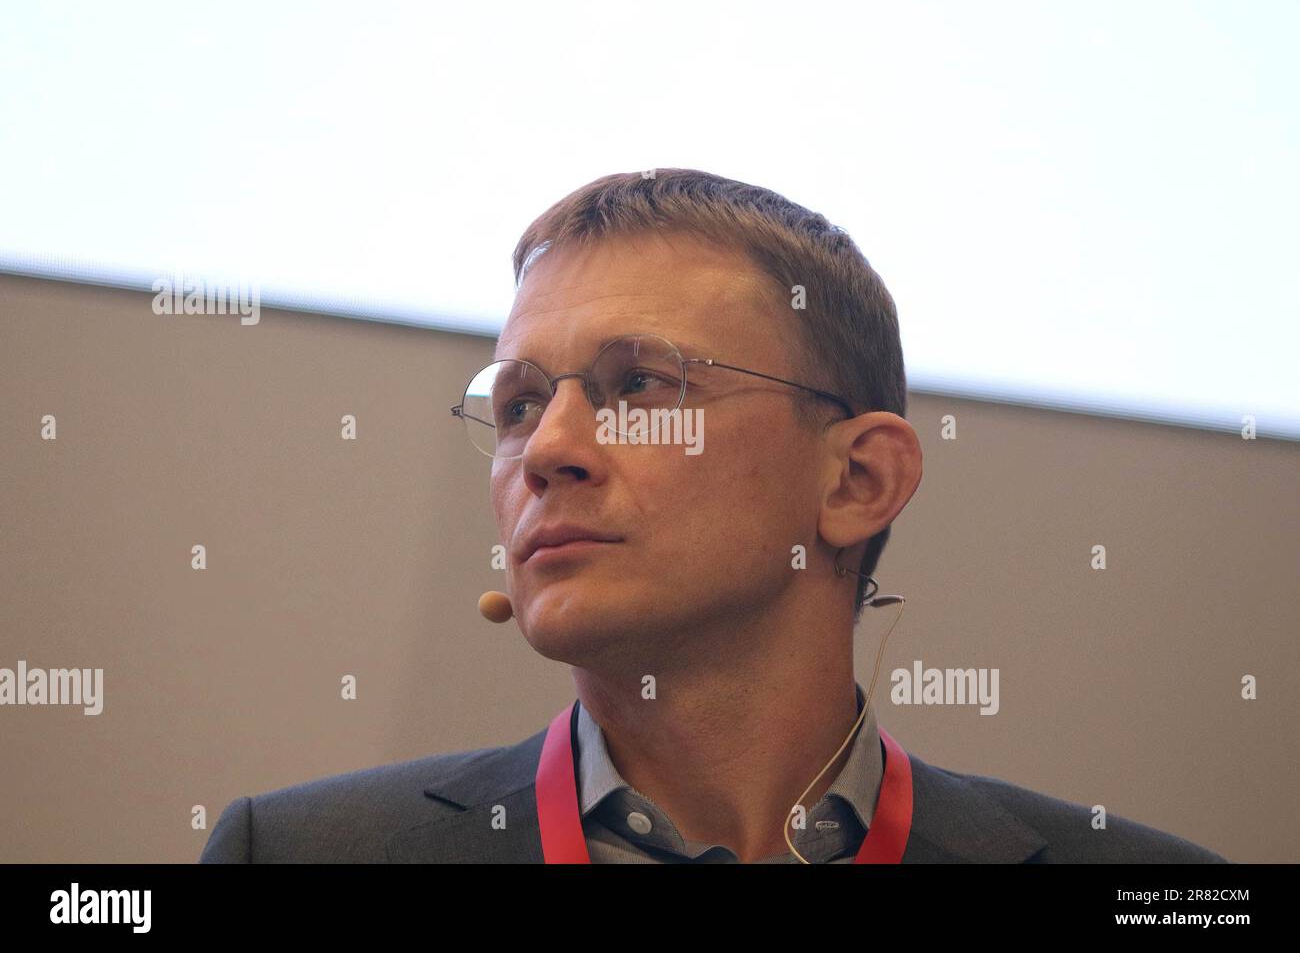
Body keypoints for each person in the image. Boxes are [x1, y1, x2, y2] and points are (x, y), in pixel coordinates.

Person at [199, 169, 1227, 863]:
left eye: (639, 383)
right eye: (517, 404)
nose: (548, 448)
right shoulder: (295, 852)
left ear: (857, 481)